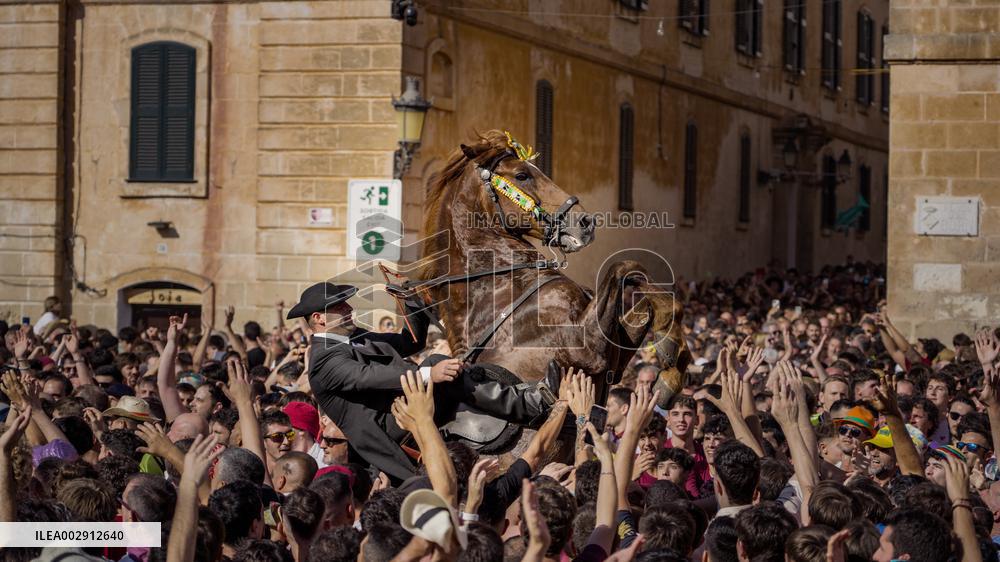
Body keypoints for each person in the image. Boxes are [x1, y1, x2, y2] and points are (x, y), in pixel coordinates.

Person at [291, 282, 558, 483]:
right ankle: (529, 406)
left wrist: (412, 302)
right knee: (435, 364)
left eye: (346, 304)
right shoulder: (322, 359)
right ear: (319, 318)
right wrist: (429, 374)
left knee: (441, 362)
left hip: (404, 403)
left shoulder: (356, 337)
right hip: (390, 425)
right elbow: (367, 376)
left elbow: (410, 342)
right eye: (340, 307)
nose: (349, 309)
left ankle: (518, 394)